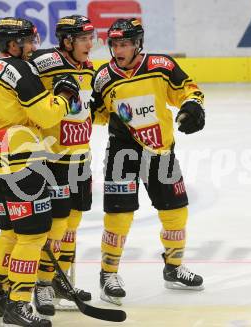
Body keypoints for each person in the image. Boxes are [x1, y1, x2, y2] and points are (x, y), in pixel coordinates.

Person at [0, 17, 81, 327]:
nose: (34, 47)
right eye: (29, 41)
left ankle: (1, 295)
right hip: (22, 160)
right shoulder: (20, 70)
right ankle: (19, 304)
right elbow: (46, 114)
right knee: (33, 234)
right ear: (13, 44)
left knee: (9, 232)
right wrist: (64, 95)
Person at [90, 18, 205, 306]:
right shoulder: (103, 77)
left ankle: (174, 267)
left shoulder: (161, 66)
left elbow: (190, 91)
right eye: (114, 44)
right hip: (122, 154)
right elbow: (98, 113)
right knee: (118, 215)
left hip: (160, 152)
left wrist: (193, 107)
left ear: (138, 44)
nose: (119, 49)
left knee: (176, 211)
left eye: (125, 44)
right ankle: (108, 274)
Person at [29, 14, 95, 316]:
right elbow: (10, 71)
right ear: (67, 41)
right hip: (53, 158)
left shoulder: (89, 68)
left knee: (72, 224)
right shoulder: (44, 61)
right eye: (83, 39)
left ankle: (61, 280)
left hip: (81, 157)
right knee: (56, 226)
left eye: (91, 38)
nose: (90, 44)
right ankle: (42, 284)